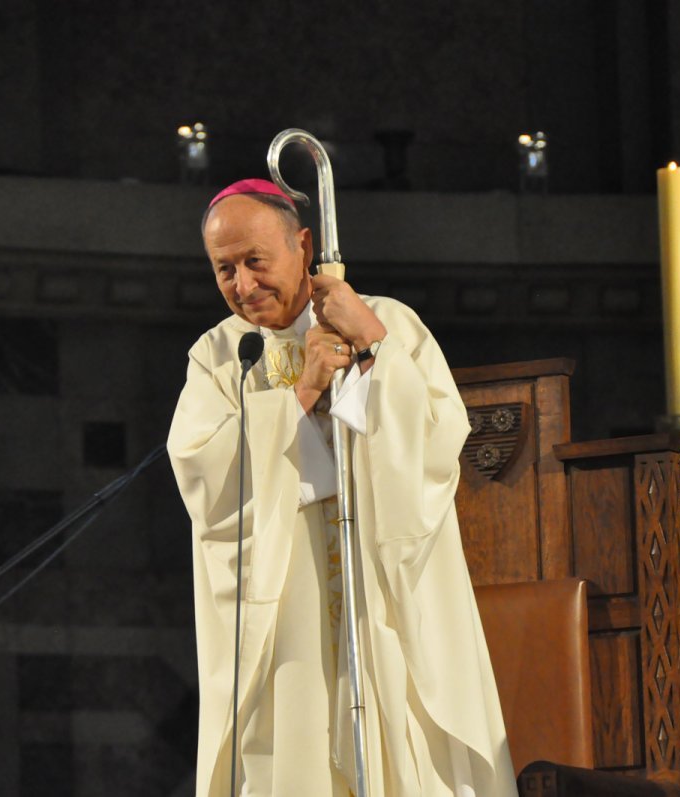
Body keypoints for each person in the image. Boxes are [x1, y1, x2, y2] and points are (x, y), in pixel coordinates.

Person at [167, 179, 517, 797]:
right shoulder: (220, 357)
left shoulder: (387, 322)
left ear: (303, 245)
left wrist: (375, 347)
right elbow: (203, 481)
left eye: (255, 261)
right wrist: (299, 395)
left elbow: (435, 449)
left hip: (379, 604)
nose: (242, 286)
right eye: (224, 269)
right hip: (287, 620)